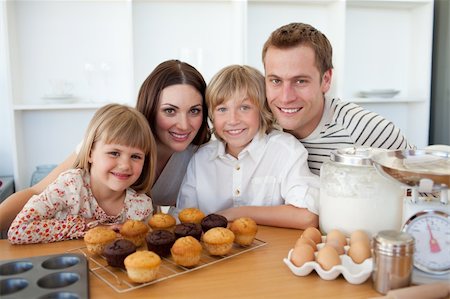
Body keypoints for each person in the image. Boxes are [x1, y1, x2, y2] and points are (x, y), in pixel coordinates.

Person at [0, 60, 211, 232]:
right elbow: (36, 191)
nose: (184, 125)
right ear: (150, 107)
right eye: (170, 111)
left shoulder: (201, 155)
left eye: (194, 111)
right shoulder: (115, 140)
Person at [172, 65, 319, 229]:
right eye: (222, 109)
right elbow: (183, 219)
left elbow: (307, 217)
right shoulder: (201, 159)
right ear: (212, 115)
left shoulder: (285, 150)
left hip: (271, 252)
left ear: (262, 110)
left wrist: (235, 214)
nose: (233, 119)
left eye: (244, 107)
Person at [262, 22, 413, 175]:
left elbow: (424, 192)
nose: (286, 97)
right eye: (276, 81)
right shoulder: (258, 126)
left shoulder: (368, 131)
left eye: (300, 81)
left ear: (326, 80)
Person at [8, 104, 156, 244]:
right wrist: (87, 226)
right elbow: (18, 229)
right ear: (90, 153)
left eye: (136, 156)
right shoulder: (69, 186)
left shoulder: (141, 207)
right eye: (114, 153)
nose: (125, 165)